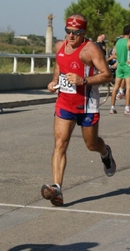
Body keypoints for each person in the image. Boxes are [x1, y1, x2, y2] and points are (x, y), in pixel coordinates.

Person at [41, 13, 116, 206]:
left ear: (84, 32)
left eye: (76, 32)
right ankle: (57, 188)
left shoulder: (91, 50)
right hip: (65, 103)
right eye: (68, 32)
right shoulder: (59, 46)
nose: (71, 36)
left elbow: (107, 75)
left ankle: (105, 153)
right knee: (60, 143)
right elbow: (60, 65)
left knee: (91, 144)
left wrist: (84, 80)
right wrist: (55, 81)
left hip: (87, 104)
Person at [110, 25, 130, 115]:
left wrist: (120, 59)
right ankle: (127, 108)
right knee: (128, 87)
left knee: (116, 87)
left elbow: (114, 54)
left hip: (120, 66)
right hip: (127, 66)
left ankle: (112, 107)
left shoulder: (118, 42)